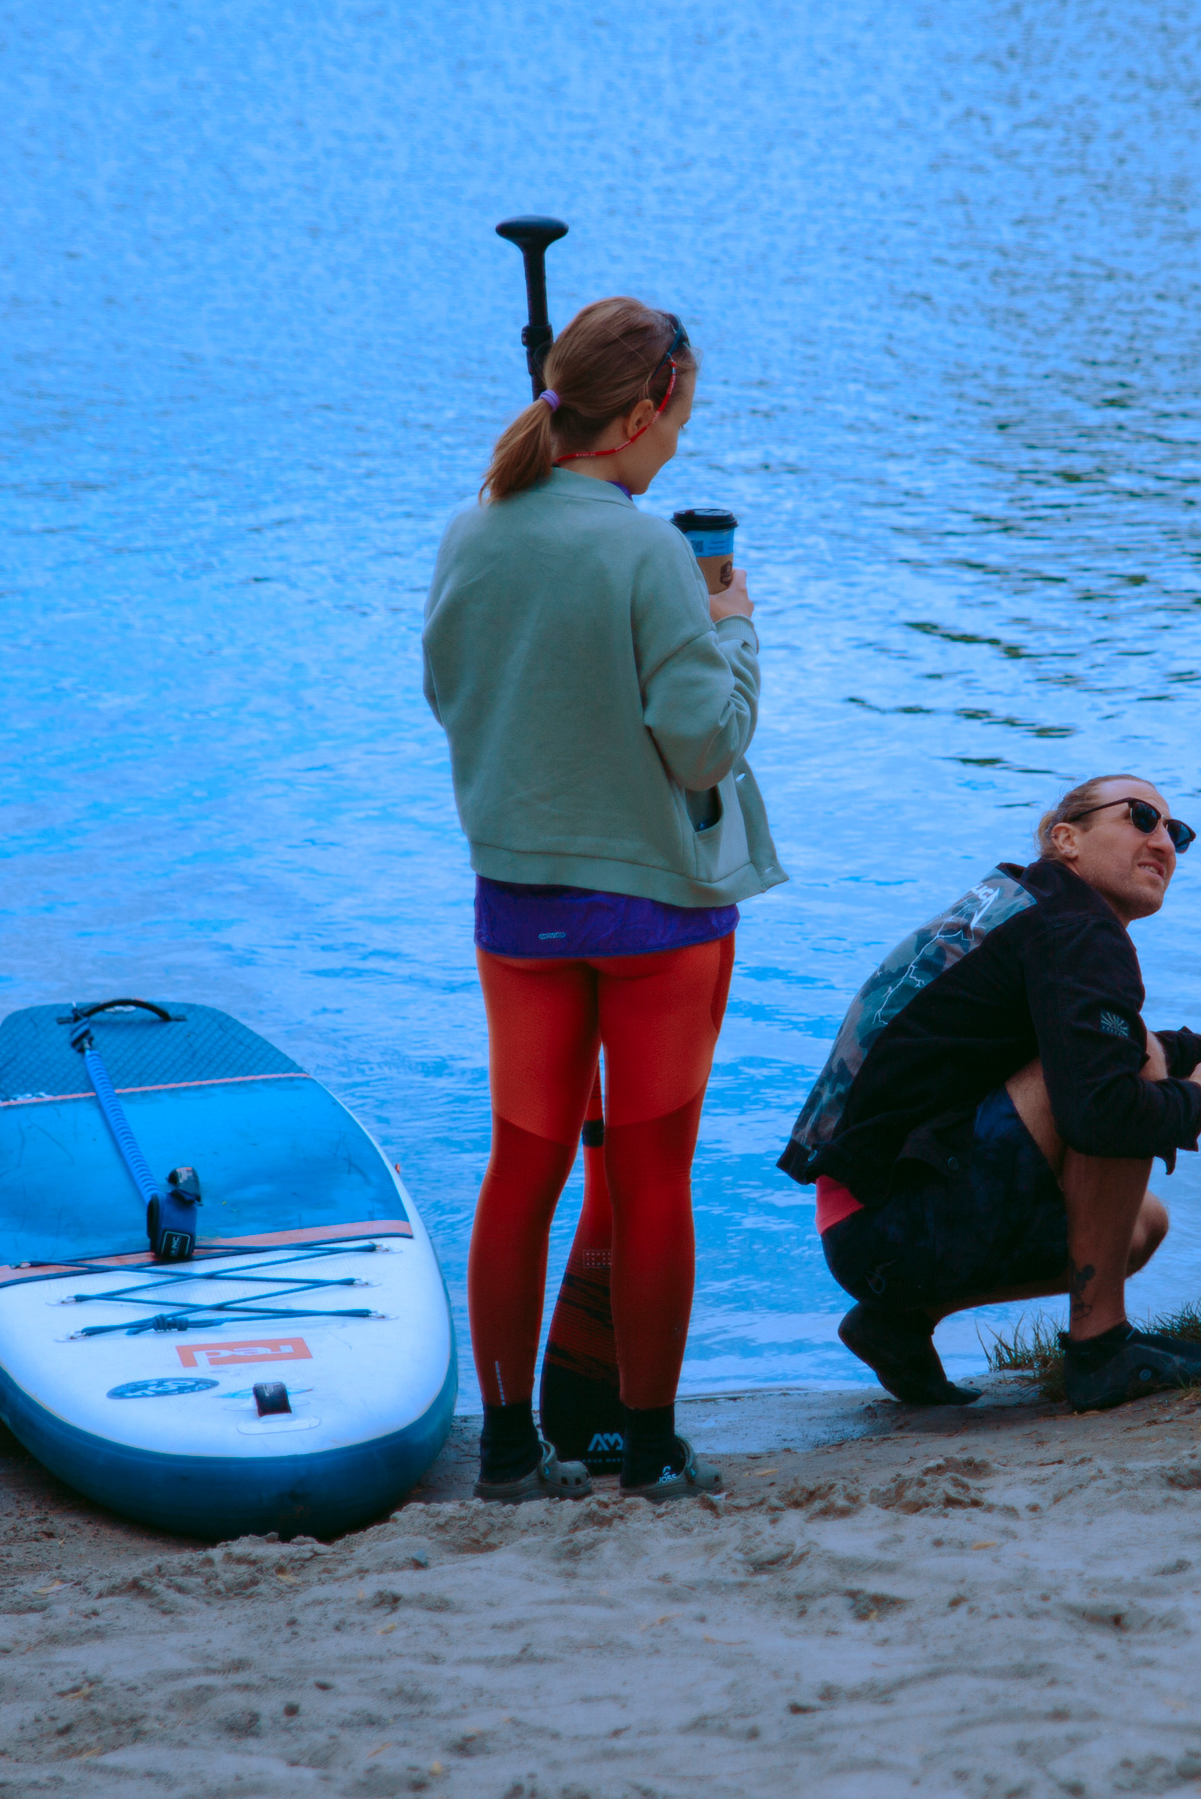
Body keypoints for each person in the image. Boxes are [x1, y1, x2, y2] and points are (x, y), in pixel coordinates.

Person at [423, 297, 784, 1502]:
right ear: (639, 412)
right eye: (677, 418)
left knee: (518, 1169)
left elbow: (450, 692)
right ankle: (647, 1446)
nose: (678, 441)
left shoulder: (472, 530)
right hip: (655, 921)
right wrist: (731, 624)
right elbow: (702, 746)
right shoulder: (646, 551)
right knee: (650, 1178)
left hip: (518, 908)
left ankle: (512, 1450)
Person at [780, 775, 1201, 1412]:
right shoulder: (1078, 930)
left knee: (1142, 1227)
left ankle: (900, 1321)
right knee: (1121, 1073)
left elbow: (1079, 1035)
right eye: (1141, 818)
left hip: (867, 1230)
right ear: (1068, 839)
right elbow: (1101, 1110)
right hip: (891, 1226)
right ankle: (1100, 1348)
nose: (1165, 842)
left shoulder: (1026, 906)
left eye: (1178, 833)